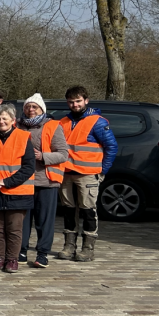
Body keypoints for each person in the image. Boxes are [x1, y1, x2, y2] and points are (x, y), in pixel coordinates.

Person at [56, 86, 116, 262]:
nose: (74, 105)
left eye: (78, 101)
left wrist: (102, 170)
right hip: (66, 173)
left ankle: (88, 248)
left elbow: (111, 147)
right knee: (68, 211)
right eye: (71, 101)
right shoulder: (63, 122)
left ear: (86, 101)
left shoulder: (97, 122)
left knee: (88, 211)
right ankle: (69, 246)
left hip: (87, 174)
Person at [0, 104, 35, 273]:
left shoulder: (24, 137)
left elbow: (29, 166)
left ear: (13, 120)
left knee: (14, 229)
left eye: (5, 118)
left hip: (17, 192)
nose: (1, 121)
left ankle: (12, 260)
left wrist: (8, 182)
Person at [17, 94, 69, 268]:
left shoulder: (53, 126)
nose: (30, 110)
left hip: (46, 180)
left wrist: (43, 156)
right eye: (27, 107)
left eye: (35, 107)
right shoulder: (17, 125)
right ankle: (21, 250)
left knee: (44, 220)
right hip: (22, 181)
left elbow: (63, 153)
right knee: (22, 220)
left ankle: (42, 253)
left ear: (42, 110)